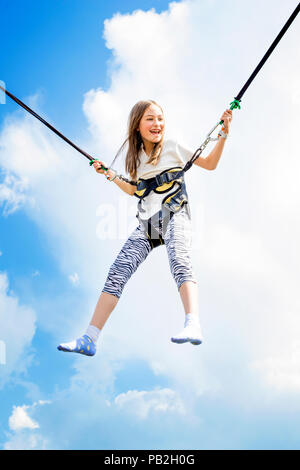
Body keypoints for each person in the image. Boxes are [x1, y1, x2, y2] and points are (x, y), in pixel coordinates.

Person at [58, 100, 232, 356]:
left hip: (175, 213)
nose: (157, 124)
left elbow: (209, 163)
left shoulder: (173, 147)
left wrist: (223, 135)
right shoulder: (136, 158)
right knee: (118, 271)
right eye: (150, 119)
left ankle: (193, 323)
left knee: (179, 260)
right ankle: (90, 338)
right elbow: (133, 189)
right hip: (149, 223)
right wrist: (109, 174)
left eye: (160, 118)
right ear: (137, 125)